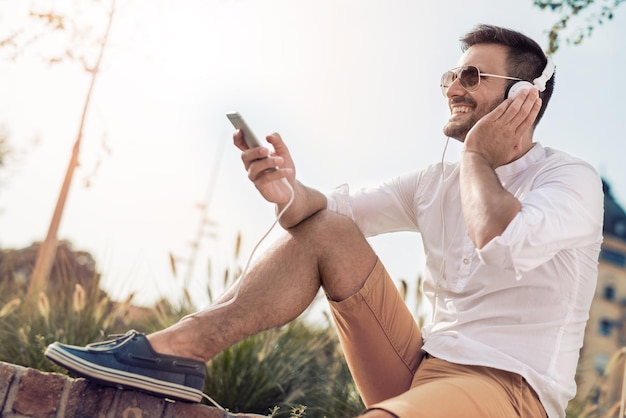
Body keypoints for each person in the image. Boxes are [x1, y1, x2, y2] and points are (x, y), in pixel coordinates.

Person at [45, 24, 604, 418]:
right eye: (451, 76)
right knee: (328, 228)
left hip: (508, 393)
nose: (454, 88)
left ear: (524, 98)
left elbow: (500, 242)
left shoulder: (568, 181)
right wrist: (286, 190)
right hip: (419, 370)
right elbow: (327, 214)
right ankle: (178, 351)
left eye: (473, 76)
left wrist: (478, 157)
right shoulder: (433, 180)